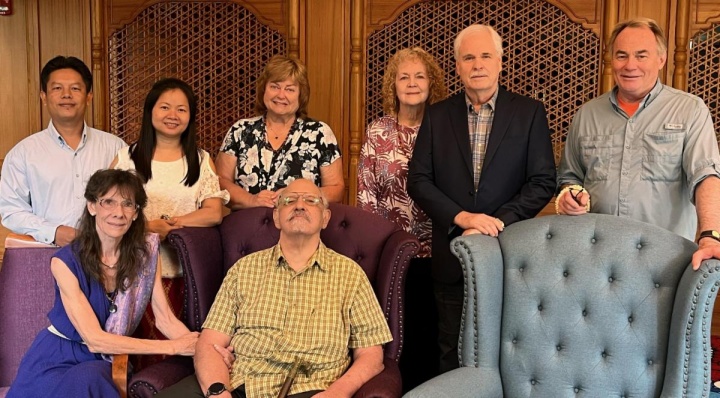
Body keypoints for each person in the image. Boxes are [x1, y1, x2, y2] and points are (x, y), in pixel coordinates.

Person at [407, 24, 556, 373]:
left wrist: (494, 222)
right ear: (457, 66)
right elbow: (418, 180)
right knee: (450, 349)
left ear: (500, 62)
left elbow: (542, 181)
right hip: (451, 257)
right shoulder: (438, 115)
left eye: (485, 56)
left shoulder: (529, 112)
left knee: (507, 351)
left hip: (510, 254)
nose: (477, 64)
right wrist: (463, 218)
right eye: (468, 57)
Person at [157, 178, 392, 398]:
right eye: (289, 200)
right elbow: (209, 343)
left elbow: (371, 355)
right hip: (240, 384)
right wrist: (219, 392)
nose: (299, 205)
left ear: (325, 218)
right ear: (277, 217)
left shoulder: (350, 275)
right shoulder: (244, 270)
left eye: (311, 201)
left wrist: (338, 392)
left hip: (311, 388)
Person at [7, 169, 198, 398]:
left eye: (128, 204)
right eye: (108, 202)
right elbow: (95, 340)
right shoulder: (64, 261)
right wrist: (173, 347)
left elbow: (165, 319)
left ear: (136, 213)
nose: (118, 212)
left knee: (90, 376)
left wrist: (201, 349)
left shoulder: (145, 255)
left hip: (103, 360)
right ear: (92, 206)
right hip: (56, 357)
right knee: (86, 378)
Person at [555, 18, 720, 271]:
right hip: (596, 259)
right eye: (622, 56)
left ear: (661, 59)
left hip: (665, 261)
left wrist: (710, 234)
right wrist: (568, 196)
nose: (630, 65)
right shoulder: (587, 114)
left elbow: (706, 176)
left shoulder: (690, 110)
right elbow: (570, 177)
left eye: (641, 56)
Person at [356, 46, 446, 389]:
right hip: (391, 252)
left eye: (419, 76)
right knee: (392, 331)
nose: (411, 83)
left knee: (430, 330)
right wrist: (380, 248)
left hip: (436, 250)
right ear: (392, 85)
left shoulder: (444, 129)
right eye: (403, 77)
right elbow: (367, 194)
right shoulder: (378, 131)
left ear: (431, 84)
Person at [0, 56, 126, 246]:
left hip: (107, 257)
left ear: (89, 96)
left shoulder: (115, 147)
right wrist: (53, 232)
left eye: (75, 88)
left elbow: (131, 200)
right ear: (43, 97)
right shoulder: (23, 153)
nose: (66, 95)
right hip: (47, 257)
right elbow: (11, 210)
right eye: (57, 88)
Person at [111, 77, 229, 277]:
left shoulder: (202, 160)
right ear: (150, 111)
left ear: (190, 116)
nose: (173, 115)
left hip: (187, 272)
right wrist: (148, 228)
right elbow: (110, 215)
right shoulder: (125, 159)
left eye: (181, 110)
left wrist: (169, 224)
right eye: (165, 107)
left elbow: (213, 213)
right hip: (133, 271)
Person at [216, 55, 344, 209]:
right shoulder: (240, 130)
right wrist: (251, 200)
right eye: (275, 86)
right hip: (248, 225)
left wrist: (298, 196)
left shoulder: (320, 133)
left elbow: (336, 189)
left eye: (290, 89)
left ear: (300, 95)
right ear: (264, 89)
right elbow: (220, 180)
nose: (281, 95)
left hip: (300, 225)